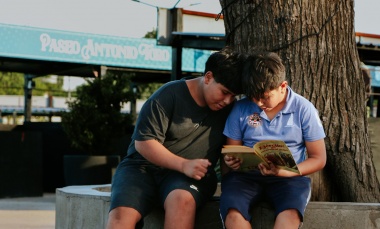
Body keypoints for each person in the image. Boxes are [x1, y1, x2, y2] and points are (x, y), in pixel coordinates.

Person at [106, 47, 246, 229]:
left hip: (193, 175)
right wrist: (182, 164)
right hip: (141, 168)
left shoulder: (231, 108)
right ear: (208, 77)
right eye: (224, 92)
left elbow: (230, 150)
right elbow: (143, 143)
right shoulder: (168, 95)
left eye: (233, 96)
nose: (227, 100)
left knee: (182, 201)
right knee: (120, 219)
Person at [219, 51, 327, 229]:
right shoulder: (241, 108)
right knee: (233, 213)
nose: (259, 103)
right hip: (246, 178)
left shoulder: (304, 109)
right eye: (253, 97)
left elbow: (319, 158)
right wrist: (233, 160)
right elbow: (232, 150)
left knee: (290, 214)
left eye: (264, 97)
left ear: (283, 86)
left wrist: (287, 172)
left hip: (289, 177)